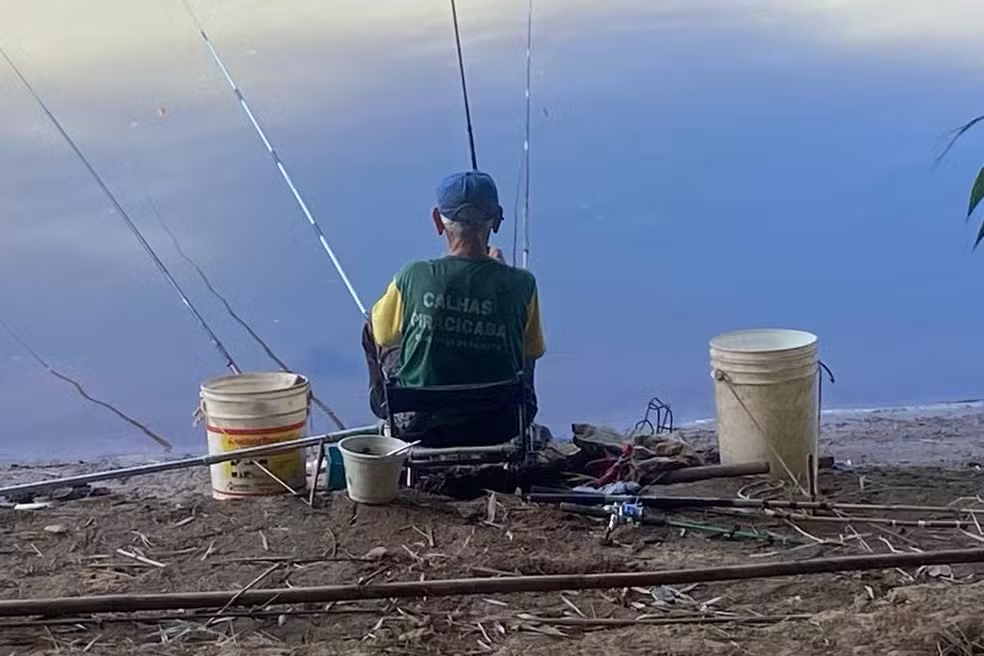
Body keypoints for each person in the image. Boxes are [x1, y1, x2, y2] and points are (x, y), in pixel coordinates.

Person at [361, 171, 546, 447]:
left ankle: (391, 413)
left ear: (438, 220)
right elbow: (534, 350)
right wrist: (503, 275)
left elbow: (385, 337)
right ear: (496, 220)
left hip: (420, 425)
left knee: (372, 328)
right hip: (501, 423)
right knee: (523, 343)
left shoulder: (413, 275)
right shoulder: (522, 283)